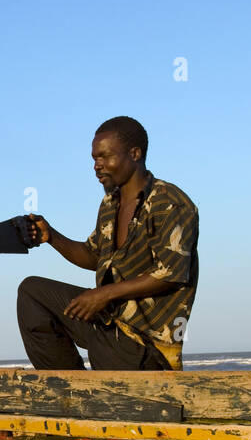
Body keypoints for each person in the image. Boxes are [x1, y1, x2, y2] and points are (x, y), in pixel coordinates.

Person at [17, 116, 198, 370]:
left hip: (146, 345)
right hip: (109, 326)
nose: (97, 166)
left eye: (105, 157)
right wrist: (52, 237)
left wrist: (104, 294)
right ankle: (69, 391)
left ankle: (90, 393)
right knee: (32, 292)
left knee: (105, 348)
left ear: (134, 154)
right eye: (94, 159)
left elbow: (171, 274)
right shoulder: (110, 203)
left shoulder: (169, 203)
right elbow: (93, 256)